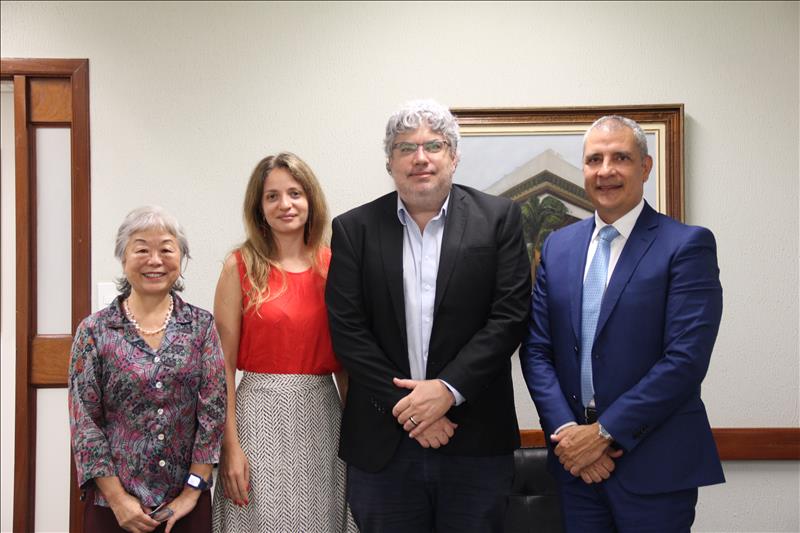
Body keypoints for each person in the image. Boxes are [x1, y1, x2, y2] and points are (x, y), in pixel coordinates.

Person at [325, 99, 531, 532]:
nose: (420, 157)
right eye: (406, 147)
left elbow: (509, 317)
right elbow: (348, 330)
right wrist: (411, 408)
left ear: (453, 157)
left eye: (433, 145)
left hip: (475, 441)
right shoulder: (353, 229)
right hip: (383, 446)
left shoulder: (499, 218)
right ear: (390, 162)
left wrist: (447, 391)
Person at [520, 115, 724, 532]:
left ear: (645, 168)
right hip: (575, 468)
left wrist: (603, 434)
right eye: (594, 159)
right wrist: (568, 433)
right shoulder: (558, 246)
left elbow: (685, 360)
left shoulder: (686, 245)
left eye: (621, 158)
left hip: (655, 466)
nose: (605, 170)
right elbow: (537, 350)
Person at [211, 152, 355, 532]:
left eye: (294, 193)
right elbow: (222, 366)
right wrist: (230, 446)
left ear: (311, 199)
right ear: (259, 207)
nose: (285, 205)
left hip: (322, 417)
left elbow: (347, 362)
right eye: (272, 196)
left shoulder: (336, 265)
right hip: (257, 416)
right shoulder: (239, 265)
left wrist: (359, 439)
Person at [69, 206, 226, 533]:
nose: (155, 260)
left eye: (166, 249)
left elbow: (212, 414)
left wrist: (191, 493)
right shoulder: (95, 331)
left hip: (185, 507)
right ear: (123, 258)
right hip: (113, 509)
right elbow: (85, 423)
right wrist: (117, 500)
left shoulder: (201, 326)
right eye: (141, 249)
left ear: (181, 258)